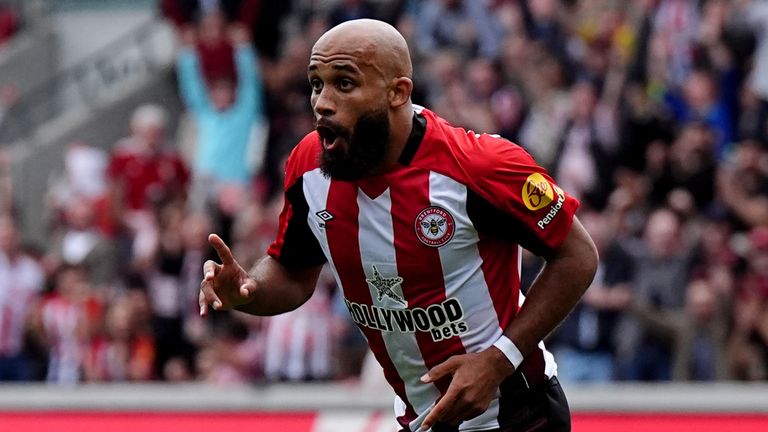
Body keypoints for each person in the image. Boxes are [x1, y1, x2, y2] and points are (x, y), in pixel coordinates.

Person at [199, 19, 598, 432]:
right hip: (418, 422)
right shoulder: (308, 168)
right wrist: (247, 290)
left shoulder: (478, 166)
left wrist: (498, 361)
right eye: (317, 84)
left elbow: (578, 255)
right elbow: (293, 272)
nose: (322, 102)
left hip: (518, 414)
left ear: (398, 92)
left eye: (344, 84)